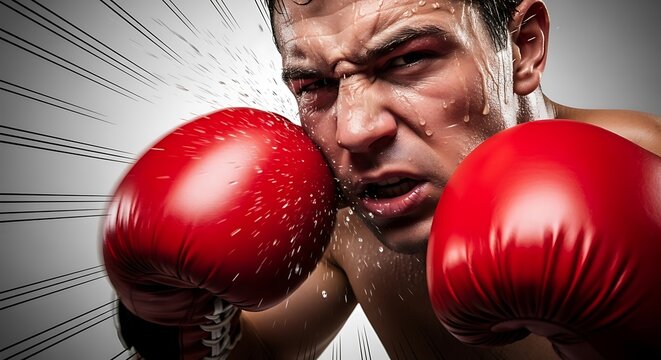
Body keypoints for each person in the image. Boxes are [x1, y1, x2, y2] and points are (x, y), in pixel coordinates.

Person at [108, 0, 661, 358]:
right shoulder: (348, 219)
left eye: (406, 60)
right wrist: (171, 315)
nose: (354, 130)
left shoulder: (653, 172)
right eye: (315, 85)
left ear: (523, 48)